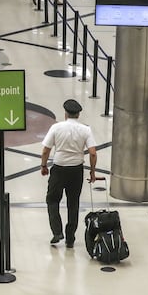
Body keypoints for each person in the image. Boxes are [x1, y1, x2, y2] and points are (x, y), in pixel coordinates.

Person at [40, 99, 97, 248]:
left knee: (52, 200)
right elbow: (92, 153)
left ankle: (57, 232)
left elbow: (46, 149)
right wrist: (92, 172)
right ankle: (70, 238)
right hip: (76, 171)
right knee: (73, 204)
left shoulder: (56, 127)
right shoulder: (86, 130)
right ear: (78, 114)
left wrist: (44, 166)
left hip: (59, 169)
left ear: (65, 113)